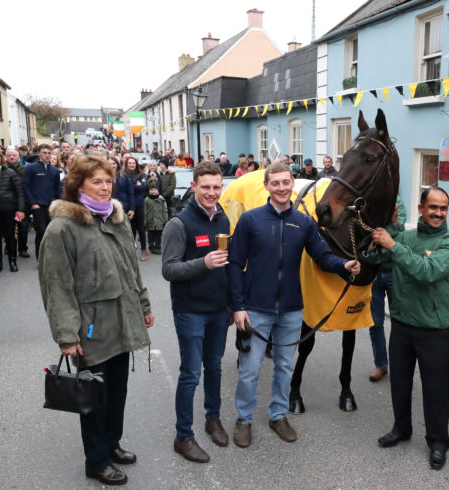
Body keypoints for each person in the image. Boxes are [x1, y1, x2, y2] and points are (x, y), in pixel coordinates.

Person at [38, 154, 154, 485]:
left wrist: (144, 306)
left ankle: (112, 444)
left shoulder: (117, 220)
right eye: (96, 182)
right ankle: (97, 460)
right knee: (94, 397)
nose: (105, 188)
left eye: (108, 181)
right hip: (90, 329)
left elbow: (132, 270)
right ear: (78, 185)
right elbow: (57, 285)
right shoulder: (62, 228)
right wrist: (67, 335)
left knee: (117, 392)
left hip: (122, 320)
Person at [227, 161, 360, 448]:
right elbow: (235, 264)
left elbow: (322, 256)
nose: (281, 188)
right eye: (275, 183)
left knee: (285, 367)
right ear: (266, 186)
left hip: (290, 310)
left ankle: (278, 416)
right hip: (256, 309)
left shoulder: (304, 222)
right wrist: (238, 306)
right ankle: (244, 419)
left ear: (292, 183)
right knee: (250, 370)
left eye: (285, 182)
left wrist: (344, 264)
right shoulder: (250, 220)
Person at [371, 187, 449, 470]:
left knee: (435, 389)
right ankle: (401, 428)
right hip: (402, 325)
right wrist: (389, 229)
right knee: (399, 382)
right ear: (421, 208)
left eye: (443, 208)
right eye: (433, 207)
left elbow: (426, 271)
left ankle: (438, 441)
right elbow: (379, 259)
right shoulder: (405, 237)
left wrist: (393, 244)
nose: (438, 213)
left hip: (434, 330)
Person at [162, 162, 231, 463]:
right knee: (190, 373)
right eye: (206, 187)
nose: (211, 193)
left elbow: (228, 266)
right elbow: (168, 269)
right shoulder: (178, 224)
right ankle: (183, 436)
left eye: (216, 187)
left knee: (214, 367)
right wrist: (203, 263)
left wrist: (232, 304)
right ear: (194, 187)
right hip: (190, 311)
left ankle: (212, 419)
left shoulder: (223, 218)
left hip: (218, 310)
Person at [367, 197, 406, 382]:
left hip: (394, 272)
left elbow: (400, 238)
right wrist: (386, 236)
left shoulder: (397, 203)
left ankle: (399, 365)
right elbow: (365, 236)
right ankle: (381, 364)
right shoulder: (369, 203)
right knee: (375, 323)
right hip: (373, 273)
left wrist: (391, 227)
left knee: (399, 321)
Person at [21, 144, 61, 259]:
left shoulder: (55, 170)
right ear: (38, 153)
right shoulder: (31, 168)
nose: (47, 155)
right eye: (44, 153)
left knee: (51, 232)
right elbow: (25, 185)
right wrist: (33, 203)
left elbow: (57, 189)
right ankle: (40, 257)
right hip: (38, 205)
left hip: (51, 206)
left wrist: (57, 204)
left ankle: (50, 257)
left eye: (49, 153)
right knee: (41, 231)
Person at [123, 157, 149, 261]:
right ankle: (131, 252)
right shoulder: (124, 175)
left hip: (139, 205)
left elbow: (143, 187)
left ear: (136, 164)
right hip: (128, 205)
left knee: (141, 229)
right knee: (130, 229)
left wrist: (131, 186)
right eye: (129, 163)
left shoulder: (141, 175)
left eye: (133, 163)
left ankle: (143, 250)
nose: (131, 165)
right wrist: (135, 185)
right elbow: (124, 189)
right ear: (126, 164)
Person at [144, 184, 167, 254]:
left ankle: (158, 247)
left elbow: (164, 211)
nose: (153, 191)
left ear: (158, 190)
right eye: (151, 190)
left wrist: (165, 221)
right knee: (150, 236)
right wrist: (144, 222)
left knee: (158, 236)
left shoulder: (162, 200)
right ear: (149, 191)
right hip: (150, 221)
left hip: (159, 222)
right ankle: (151, 247)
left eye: (155, 189)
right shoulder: (147, 200)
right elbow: (145, 212)